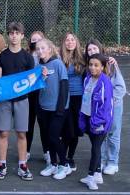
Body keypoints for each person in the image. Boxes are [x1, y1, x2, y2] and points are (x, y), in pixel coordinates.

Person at [0, 22, 34, 181]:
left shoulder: (27, 57)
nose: (14, 36)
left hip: (22, 100)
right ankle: (2, 164)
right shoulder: (2, 56)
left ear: (22, 35)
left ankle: (22, 165)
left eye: (17, 33)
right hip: (5, 100)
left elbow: (31, 81)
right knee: (3, 132)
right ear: (8, 35)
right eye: (11, 33)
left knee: (21, 133)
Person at [84, 39, 126, 175]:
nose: (92, 51)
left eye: (94, 49)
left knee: (113, 132)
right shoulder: (89, 67)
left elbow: (121, 88)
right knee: (99, 132)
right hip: (97, 107)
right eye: (89, 50)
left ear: (100, 49)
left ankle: (113, 162)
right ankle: (100, 160)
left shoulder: (110, 64)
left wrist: (108, 100)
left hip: (114, 105)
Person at [36, 39, 72, 180]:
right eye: (38, 49)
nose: (40, 51)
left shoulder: (57, 64)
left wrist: (61, 108)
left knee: (53, 136)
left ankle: (64, 165)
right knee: (47, 138)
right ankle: (53, 164)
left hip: (57, 109)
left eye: (43, 48)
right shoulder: (39, 67)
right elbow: (38, 87)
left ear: (50, 49)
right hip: (44, 108)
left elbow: (64, 86)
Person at [79, 53, 113, 190]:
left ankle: (91, 177)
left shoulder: (105, 82)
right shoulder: (87, 79)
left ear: (103, 67)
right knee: (95, 146)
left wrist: (98, 122)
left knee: (95, 149)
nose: (92, 68)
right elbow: (86, 100)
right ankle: (98, 174)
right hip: (89, 118)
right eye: (91, 65)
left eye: (96, 65)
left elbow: (106, 106)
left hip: (99, 122)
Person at [60, 33, 86, 172]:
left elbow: (100, 57)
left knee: (75, 130)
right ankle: (62, 159)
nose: (70, 42)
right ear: (63, 43)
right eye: (67, 40)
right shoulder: (59, 58)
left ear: (76, 42)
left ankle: (70, 157)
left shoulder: (83, 58)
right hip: (64, 97)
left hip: (78, 98)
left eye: (72, 39)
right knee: (66, 130)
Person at [26, 31, 49, 163]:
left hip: (42, 92)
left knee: (43, 124)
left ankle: (46, 151)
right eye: (33, 40)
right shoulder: (27, 55)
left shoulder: (46, 56)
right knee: (28, 124)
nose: (36, 42)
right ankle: (26, 151)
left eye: (38, 40)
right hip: (29, 93)